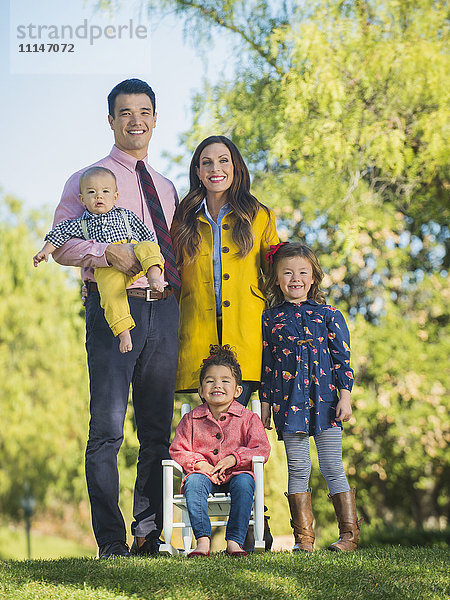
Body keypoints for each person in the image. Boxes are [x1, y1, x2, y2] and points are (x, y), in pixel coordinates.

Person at [51, 79, 180, 558]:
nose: (136, 121)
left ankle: (148, 534)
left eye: (144, 111)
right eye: (125, 113)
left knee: (156, 431)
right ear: (111, 120)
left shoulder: (166, 187)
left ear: (155, 119)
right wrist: (107, 252)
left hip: (164, 310)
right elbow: (61, 243)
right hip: (112, 311)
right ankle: (110, 541)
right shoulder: (88, 179)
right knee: (106, 427)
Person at [260, 242, 363, 552]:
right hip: (288, 404)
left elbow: (342, 360)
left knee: (332, 465)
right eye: (287, 272)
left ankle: (349, 536)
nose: (295, 278)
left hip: (327, 402)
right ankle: (304, 540)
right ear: (276, 278)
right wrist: (265, 407)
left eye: (302, 272)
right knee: (298, 467)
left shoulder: (329, 314)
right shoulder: (270, 318)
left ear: (314, 276)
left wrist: (345, 398)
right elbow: (267, 365)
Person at [171, 135, 279, 406]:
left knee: (238, 418)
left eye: (223, 161)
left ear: (236, 167)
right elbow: (170, 274)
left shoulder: (259, 215)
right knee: (205, 421)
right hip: (197, 329)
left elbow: (278, 273)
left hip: (246, 331)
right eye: (206, 163)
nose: (215, 169)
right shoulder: (183, 218)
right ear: (197, 172)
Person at [33, 166, 165, 354]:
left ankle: (154, 277)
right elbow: (59, 233)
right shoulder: (81, 224)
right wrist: (45, 251)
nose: (99, 197)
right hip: (108, 269)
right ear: (82, 199)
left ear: (115, 196)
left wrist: (149, 256)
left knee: (149, 246)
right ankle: (123, 331)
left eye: (105, 192)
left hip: (136, 256)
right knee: (110, 296)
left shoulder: (126, 216)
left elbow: (148, 236)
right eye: (92, 193)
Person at [169, 344, 271, 557]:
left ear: (237, 390)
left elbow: (261, 448)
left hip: (236, 475)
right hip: (203, 477)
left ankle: (234, 542)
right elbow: (178, 450)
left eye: (225, 381)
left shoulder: (248, 418)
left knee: (245, 482)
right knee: (193, 481)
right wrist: (200, 464)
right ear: (200, 391)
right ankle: (203, 542)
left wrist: (234, 459)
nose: (218, 385)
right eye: (210, 381)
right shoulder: (191, 420)